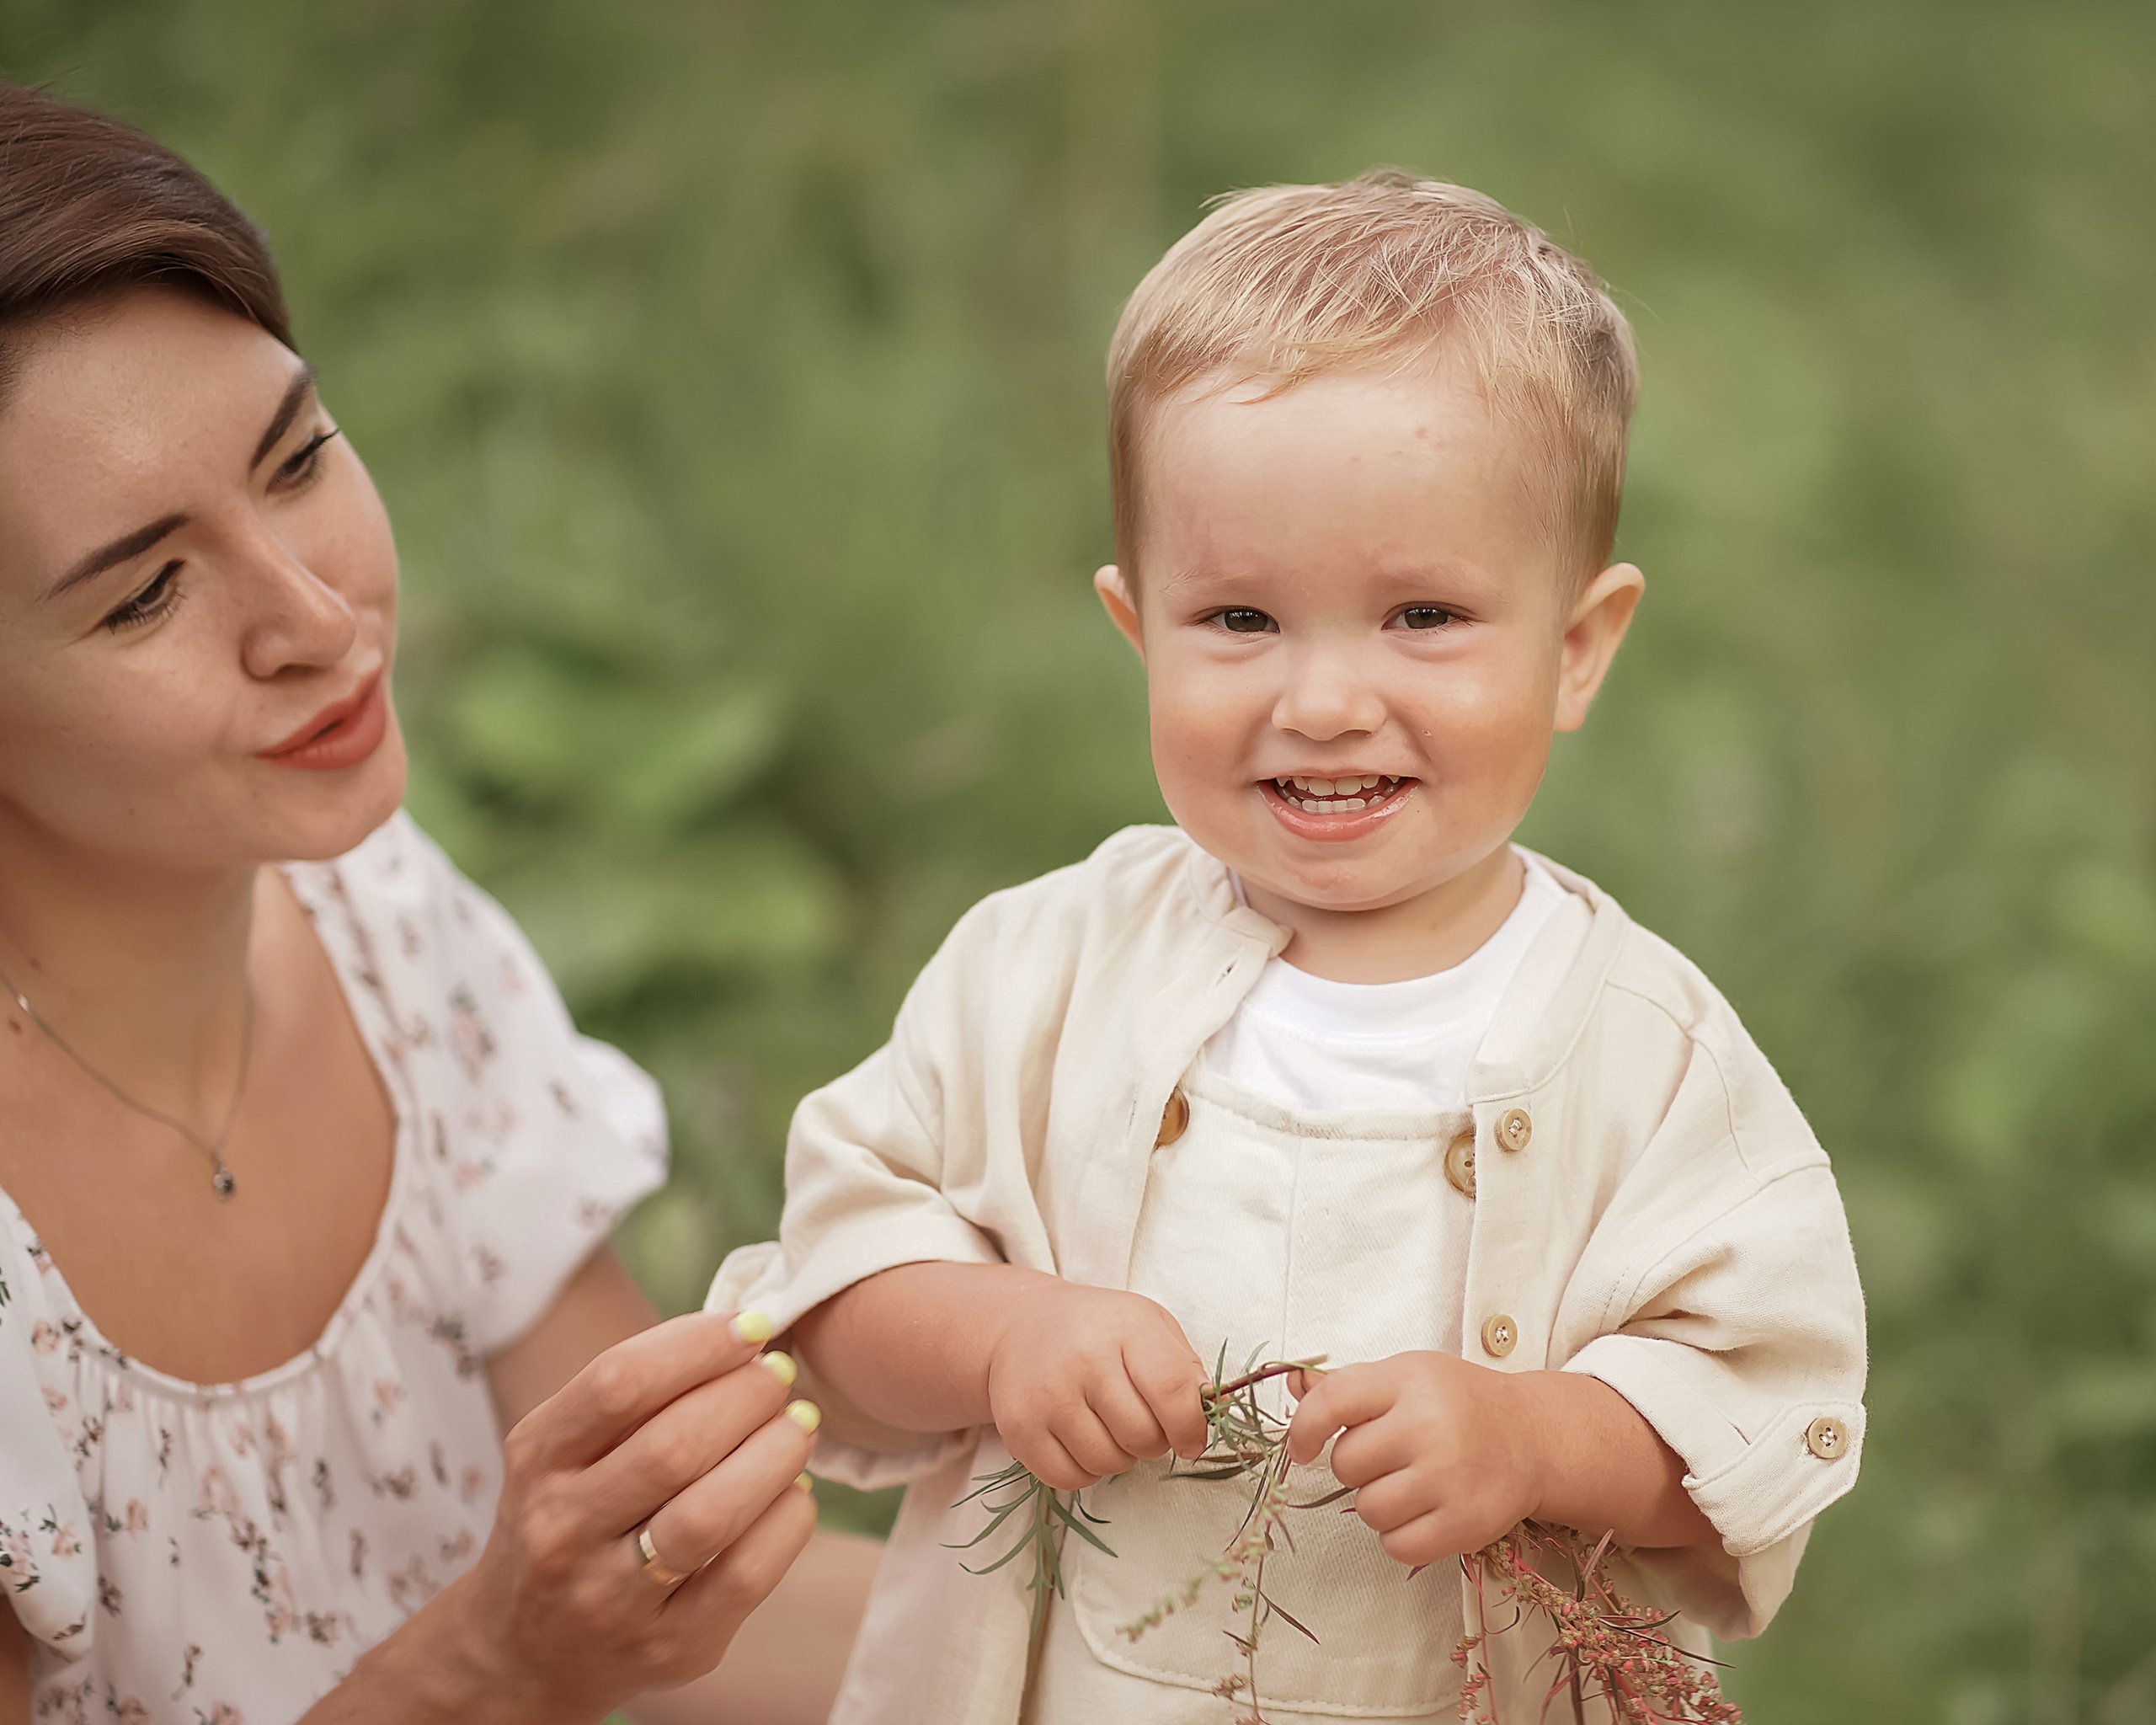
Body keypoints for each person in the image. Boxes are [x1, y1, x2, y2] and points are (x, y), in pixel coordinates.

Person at [706, 172, 1870, 1722]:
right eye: (1241, 621)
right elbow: (830, 1293)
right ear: (1139, 630)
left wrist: (1535, 1440)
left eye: (1424, 617)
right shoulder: (1042, 972)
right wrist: (1002, 1338)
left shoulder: (1647, 1056)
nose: (1322, 702)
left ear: (1577, 648)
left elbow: (1758, 1408)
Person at [0, 83, 877, 1724]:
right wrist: (490, 1665)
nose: (315, 618)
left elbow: (682, 1596)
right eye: (146, 591)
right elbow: (554, 1643)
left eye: (297, 460)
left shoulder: (379, 919)